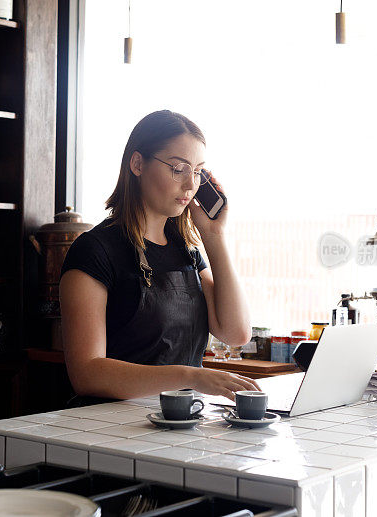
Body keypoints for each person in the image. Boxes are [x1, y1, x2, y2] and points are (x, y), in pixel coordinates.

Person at [60, 110, 258, 401]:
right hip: (112, 429)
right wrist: (190, 376)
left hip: (179, 424)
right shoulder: (94, 251)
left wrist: (214, 236)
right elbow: (87, 374)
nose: (191, 185)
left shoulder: (187, 251)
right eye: (178, 169)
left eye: (198, 172)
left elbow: (236, 332)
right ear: (138, 164)